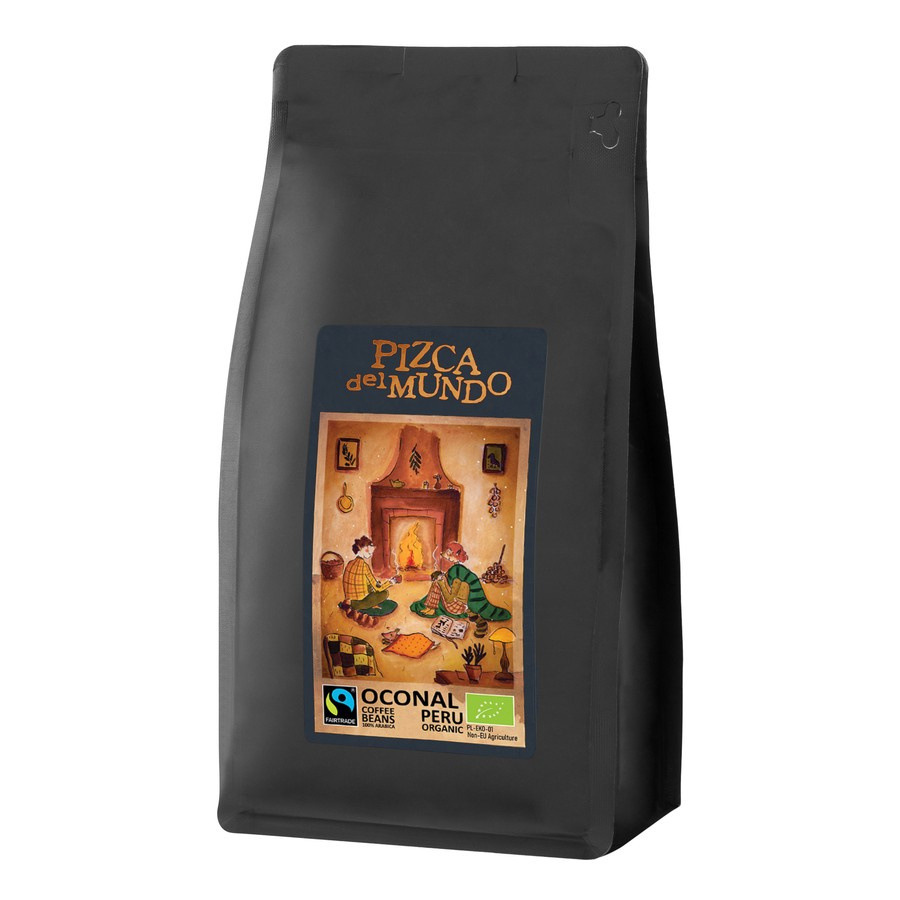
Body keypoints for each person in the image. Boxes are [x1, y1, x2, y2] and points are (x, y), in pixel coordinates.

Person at [410, 542, 511, 622]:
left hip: (456, 608)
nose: (445, 557)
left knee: (437, 583)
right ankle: (430, 608)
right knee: (437, 581)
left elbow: (449, 599)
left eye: (449, 554)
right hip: (455, 602)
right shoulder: (455, 570)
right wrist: (442, 580)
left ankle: (431, 608)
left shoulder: (458, 575)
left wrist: (441, 583)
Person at [340, 536, 398, 619]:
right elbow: (378, 588)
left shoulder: (350, 563)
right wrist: (392, 582)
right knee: (384, 593)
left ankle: (349, 603)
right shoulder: (364, 566)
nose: (370, 555)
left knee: (371, 587)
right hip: (359, 602)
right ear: (364, 548)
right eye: (369, 552)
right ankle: (357, 606)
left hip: (349, 598)